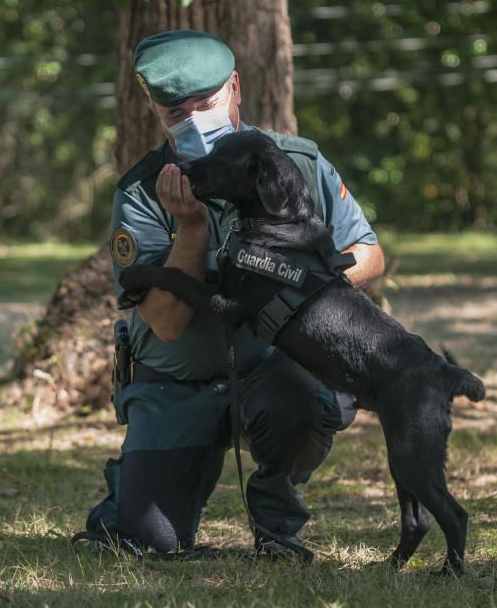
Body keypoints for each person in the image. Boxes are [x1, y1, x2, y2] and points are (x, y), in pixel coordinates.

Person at [80, 29, 385, 561]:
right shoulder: (142, 194)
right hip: (177, 383)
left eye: (206, 103)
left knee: (304, 401)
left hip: (271, 371)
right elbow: (167, 323)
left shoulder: (298, 164)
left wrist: (293, 290)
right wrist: (192, 231)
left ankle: (276, 521)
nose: (195, 120)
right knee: (147, 543)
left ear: (236, 88)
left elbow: (367, 252)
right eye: (176, 113)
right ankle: (129, 495)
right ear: (153, 110)